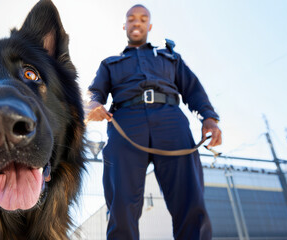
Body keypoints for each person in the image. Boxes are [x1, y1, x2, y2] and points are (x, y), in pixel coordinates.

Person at [85, 4, 222, 240]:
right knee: (121, 205)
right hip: (125, 123)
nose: (136, 22)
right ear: (125, 25)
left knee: (190, 200)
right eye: (131, 19)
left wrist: (209, 118)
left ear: (149, 26)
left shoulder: (171, 58)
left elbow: (193, 90)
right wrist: (93, 106)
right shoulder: (109, 63)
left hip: (171, 121)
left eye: (142, 19)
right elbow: (94, 95)